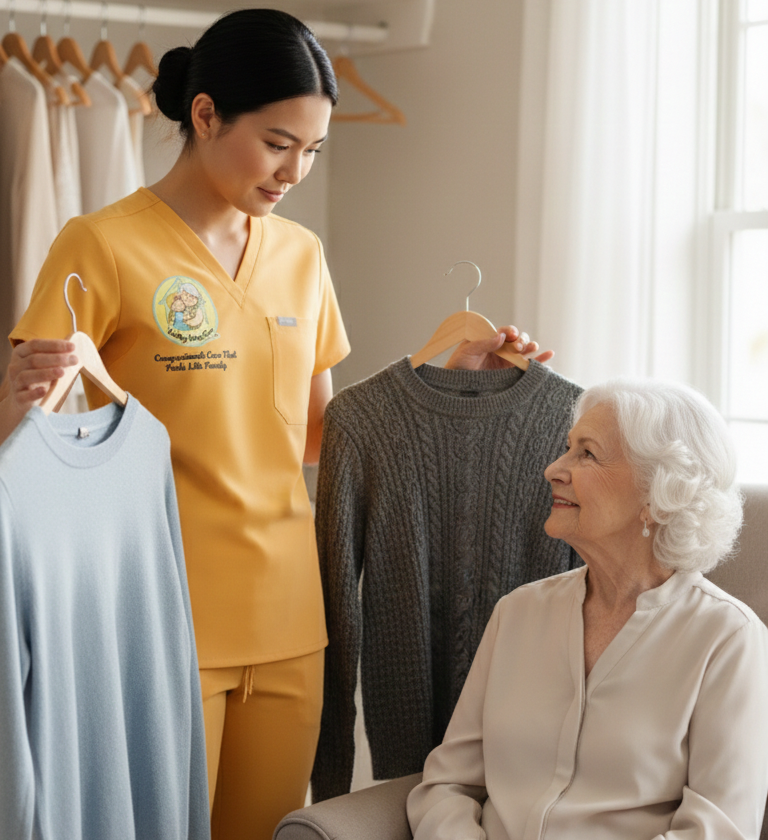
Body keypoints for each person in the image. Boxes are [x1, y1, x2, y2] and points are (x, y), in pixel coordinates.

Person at [0, 8, 550, 838]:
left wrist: (448, 374)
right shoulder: (102, 244)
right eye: (277, 142)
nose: (294, 170)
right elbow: (29, 440)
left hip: (293, 621)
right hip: (160, 611)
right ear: (207, 114)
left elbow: (318, 435)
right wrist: (16, 398)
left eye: (314, 151)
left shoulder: (300, 255)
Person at [407, 379, 768, 840]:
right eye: (567, 448)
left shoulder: (727, 638)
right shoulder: (517, 613)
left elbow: (719, 829)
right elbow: (448, 784)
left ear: (658, 495)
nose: (554, 469)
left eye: (587, 454)